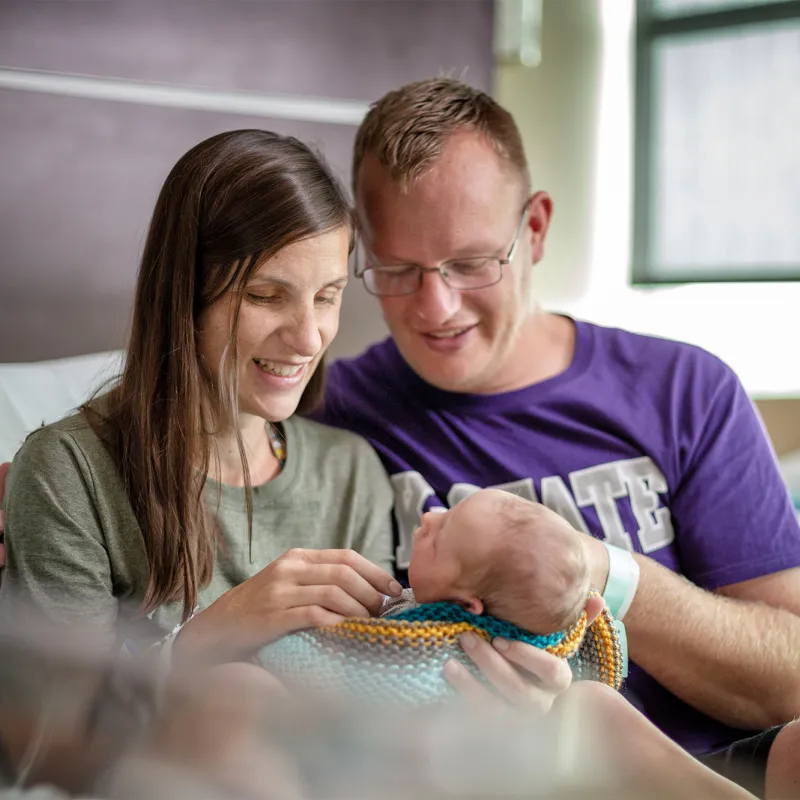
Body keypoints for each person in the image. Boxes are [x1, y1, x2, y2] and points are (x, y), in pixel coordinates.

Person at [0, 128, 573, 788]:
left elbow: (379, 711)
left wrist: (495, 690)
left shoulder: (349, 472)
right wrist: (212, 636)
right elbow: (51, 750)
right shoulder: (69, 473)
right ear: (184, 294)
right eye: (266, 296)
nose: (308, 337)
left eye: (328, 295)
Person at [314, 77, 800, 793]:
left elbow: (789, 676)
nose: (436, 306)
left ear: (534, 229)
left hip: (729, 764)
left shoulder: (684, 390)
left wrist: (602, 572)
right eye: (397, 270)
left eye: (472, 263)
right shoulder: (333, 415)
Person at [406, 488, 598, 635]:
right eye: (447, 513)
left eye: (436, 543)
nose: (427, 517)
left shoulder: (415, 646)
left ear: (465, 606)